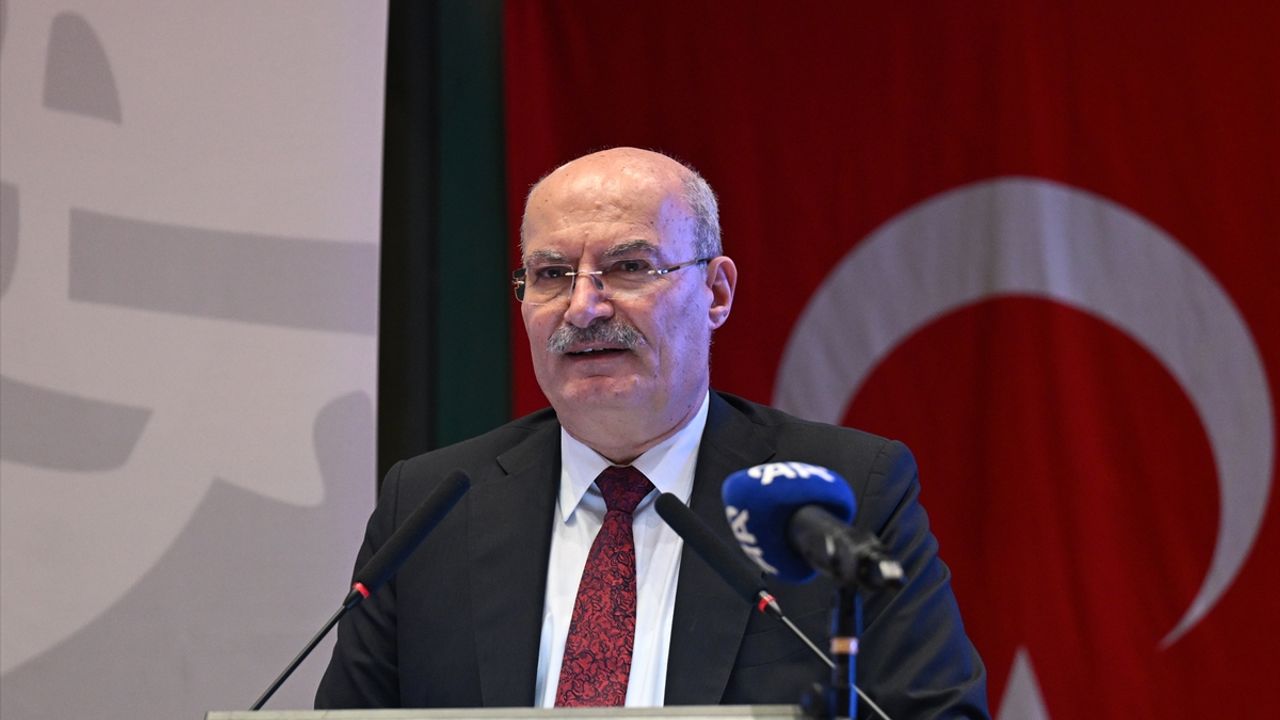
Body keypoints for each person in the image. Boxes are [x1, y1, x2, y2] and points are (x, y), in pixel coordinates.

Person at [315, 147, 989, 717]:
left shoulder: (843, 495)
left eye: (629, 267)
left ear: (716, 292)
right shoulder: (431, 507)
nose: (583, 307)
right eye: (551, 275)